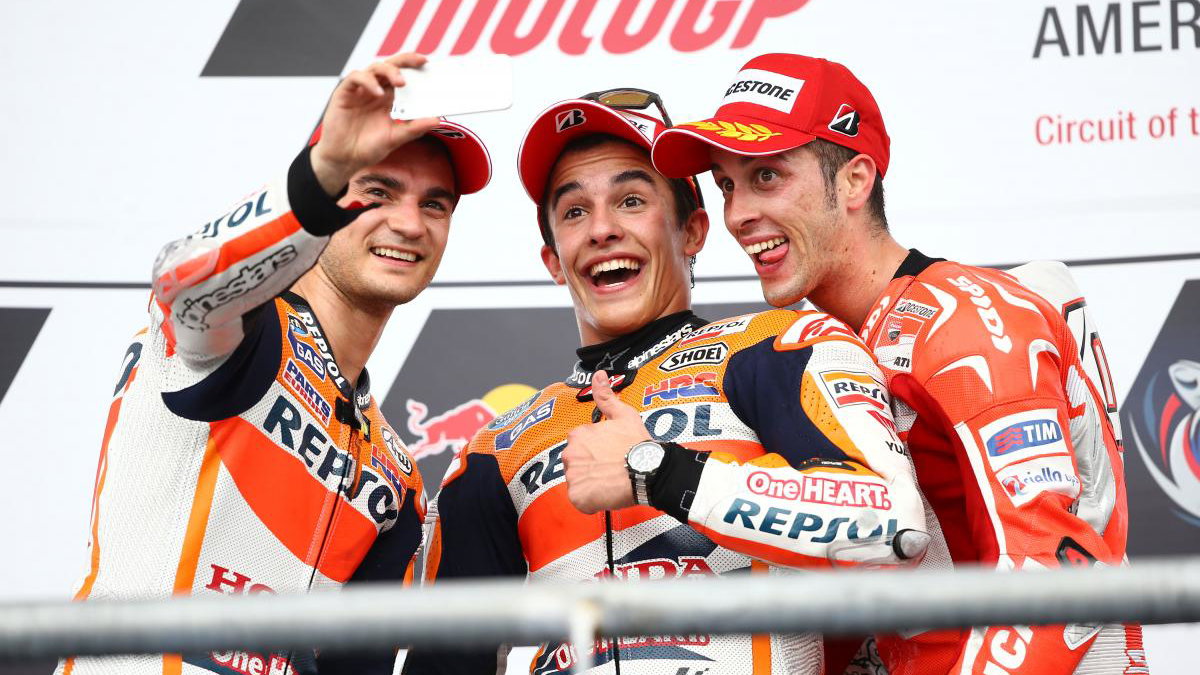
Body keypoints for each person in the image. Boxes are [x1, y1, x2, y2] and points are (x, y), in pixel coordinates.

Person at [649, 53, 1145, 675]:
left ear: (855, 181)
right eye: (726, 185)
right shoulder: (827, 348)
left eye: (766, 177)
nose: (738, 214)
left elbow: (1058, 574)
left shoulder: (962, 320)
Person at [404, 89, 929, 675]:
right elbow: (444, 662)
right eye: (574, 211)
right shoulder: (498, 448)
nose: (601, 229)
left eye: (631, 200)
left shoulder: (776, 347)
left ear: (692, 231)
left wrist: (657, 471)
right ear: (553, 260)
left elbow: (893, 531)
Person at [58, 53, 491, 675]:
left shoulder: (395, 472)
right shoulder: (235, 334)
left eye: (435, 205)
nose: (409, 224)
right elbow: (183, 280)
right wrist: (320, 175)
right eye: (377, 192)